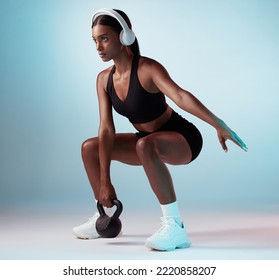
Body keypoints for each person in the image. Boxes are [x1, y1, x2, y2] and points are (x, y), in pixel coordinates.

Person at [72, 8, 248, 251]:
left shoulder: (147, 68)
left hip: (182, 138)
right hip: (147, 140)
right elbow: (106, 130)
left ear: (124, 37)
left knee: (146, 145)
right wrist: (105, 182)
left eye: (104, 38)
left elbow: (180, 96)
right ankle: (104, 217)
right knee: (90, 147)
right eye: (95, 40)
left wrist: (219, 124)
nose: (98, 47)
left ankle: (175, 227)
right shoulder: (103, 79)